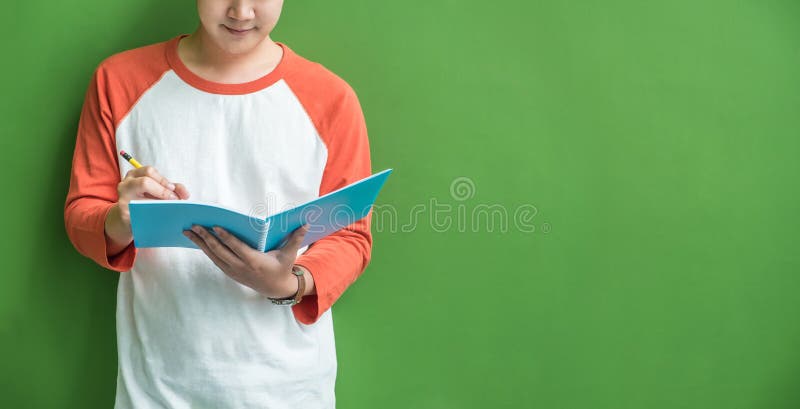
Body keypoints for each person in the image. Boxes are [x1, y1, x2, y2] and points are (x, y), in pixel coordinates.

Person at [63, 0, 374, 407]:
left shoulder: (332, 98)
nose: (241, 12)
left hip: (289, 389)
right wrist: (120, 220)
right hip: (157, 388)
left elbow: (350, 235)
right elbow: (81, 213)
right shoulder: (118, 81)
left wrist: (287, 283)